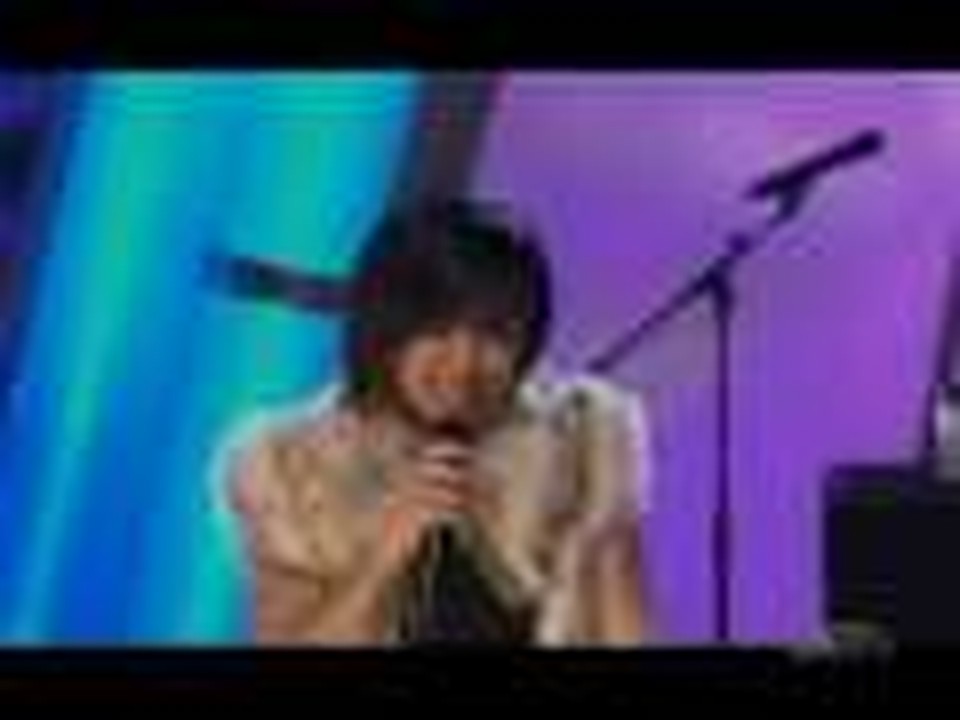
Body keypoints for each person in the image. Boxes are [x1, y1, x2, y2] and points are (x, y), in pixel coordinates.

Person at [220, 199, 654, 646]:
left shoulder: (582, 445)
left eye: (495, 334)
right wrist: (388, 550)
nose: (464, 364)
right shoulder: (290, 468)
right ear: (387, 325)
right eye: (438, 330)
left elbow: (626, 632)